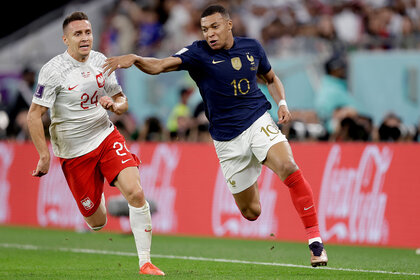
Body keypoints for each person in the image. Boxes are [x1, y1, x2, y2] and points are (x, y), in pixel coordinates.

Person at [103, 5, 328, 267]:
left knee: (289, 166)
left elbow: (271, 77)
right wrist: (137, 59)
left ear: (229, 25)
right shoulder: (197, 53)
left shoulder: (252, 48)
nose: (209, 33)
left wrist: (282, 104)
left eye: (215, 27)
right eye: (205, 29)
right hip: (226, 141)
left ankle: (315, 242)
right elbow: (161, 65)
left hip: (257, 120)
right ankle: (256, 167)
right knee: (251, 212)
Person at [26, 12, 164, 276]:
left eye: (88, 32)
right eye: (78, 34)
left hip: (105, 135)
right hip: (74, 152)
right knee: (97, 222)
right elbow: (34, 114)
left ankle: (145, 262)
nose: (85, 37)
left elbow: (122, 101)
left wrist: (115, 105)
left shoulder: (102, 61)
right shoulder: (53, 71)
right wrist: (43, 155)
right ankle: (100, 194)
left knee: (135, 193)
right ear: (65, 39)